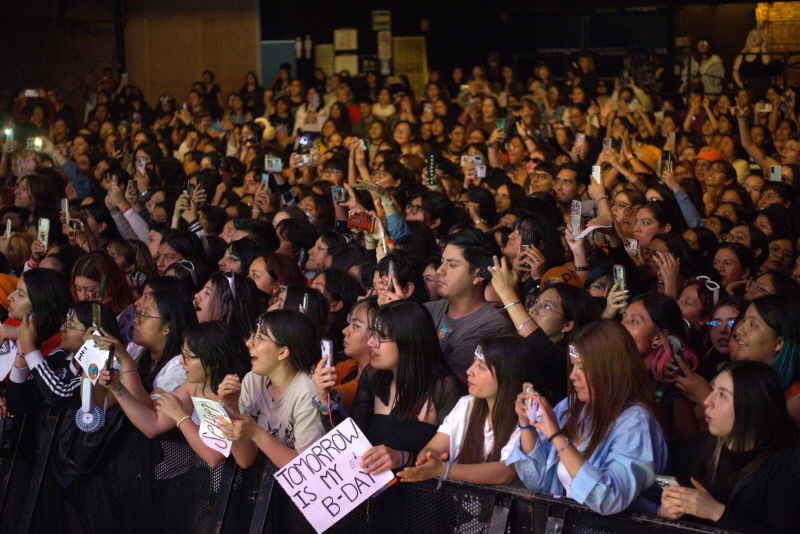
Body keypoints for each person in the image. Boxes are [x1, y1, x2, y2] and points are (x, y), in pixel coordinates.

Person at [510, 319, 668, 515]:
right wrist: (527, 425)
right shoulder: (573, 405)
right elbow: (539, 482)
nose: (573, 375)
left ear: (611, 369)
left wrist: (558, 437)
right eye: (573, 365)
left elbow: (610, 499)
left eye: (582, 367)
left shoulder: (636, 421)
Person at [661, 361, 800, 534]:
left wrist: (716, 512)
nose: (707, 401)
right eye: (713, 390)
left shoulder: (785, 464)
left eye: (722, 395)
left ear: (751, 406)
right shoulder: (695, 446)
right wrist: (666, 512)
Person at [97, 321, 250, 467]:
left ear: (212, 358)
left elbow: (213, 456)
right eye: (182, 354)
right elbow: (153, 425)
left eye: (188, 356)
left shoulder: (235, 391)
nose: (182, 362)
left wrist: (181, 417)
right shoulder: (194, 384)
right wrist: (117, 388)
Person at [397, 334, 535, 485]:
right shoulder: (466, 404)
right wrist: (428, 460)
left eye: (481, 366)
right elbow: (433, 448)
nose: (469, 371)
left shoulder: (531, 415)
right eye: (473, 362)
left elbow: (505, 472)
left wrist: (443, 469)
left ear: (508, 374)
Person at [352, 301, 463, 475]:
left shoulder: (443, 387)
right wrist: (325, 402)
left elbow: (452, 461)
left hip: (419, 495)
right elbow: (352, 442)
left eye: (381, 337)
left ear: (408, 341)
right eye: (372, 334)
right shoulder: (373, 375)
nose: (371, 342)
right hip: (368, 490)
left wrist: (404, 458)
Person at [216, 310, 325, 469]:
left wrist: (257, 433)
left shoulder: (308, 393)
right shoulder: (253, 380)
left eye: (259, 337)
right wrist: (231, 407)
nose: (249, 343)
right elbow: (245, 460)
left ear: (282, 352)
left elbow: (305, 469)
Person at [424, 228, 512, 381]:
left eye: (452, 265)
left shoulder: (492, 326)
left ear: (478, 275)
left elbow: (452, 386)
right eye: (442, 262)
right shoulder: (427, 310)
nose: (439, 270)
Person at [312, 298, 378, 414]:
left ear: (378, 335)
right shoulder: (348, 366)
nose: (345, 331)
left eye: (356, 325)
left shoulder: (372, 382)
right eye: (349, 323)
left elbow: (310, 396)